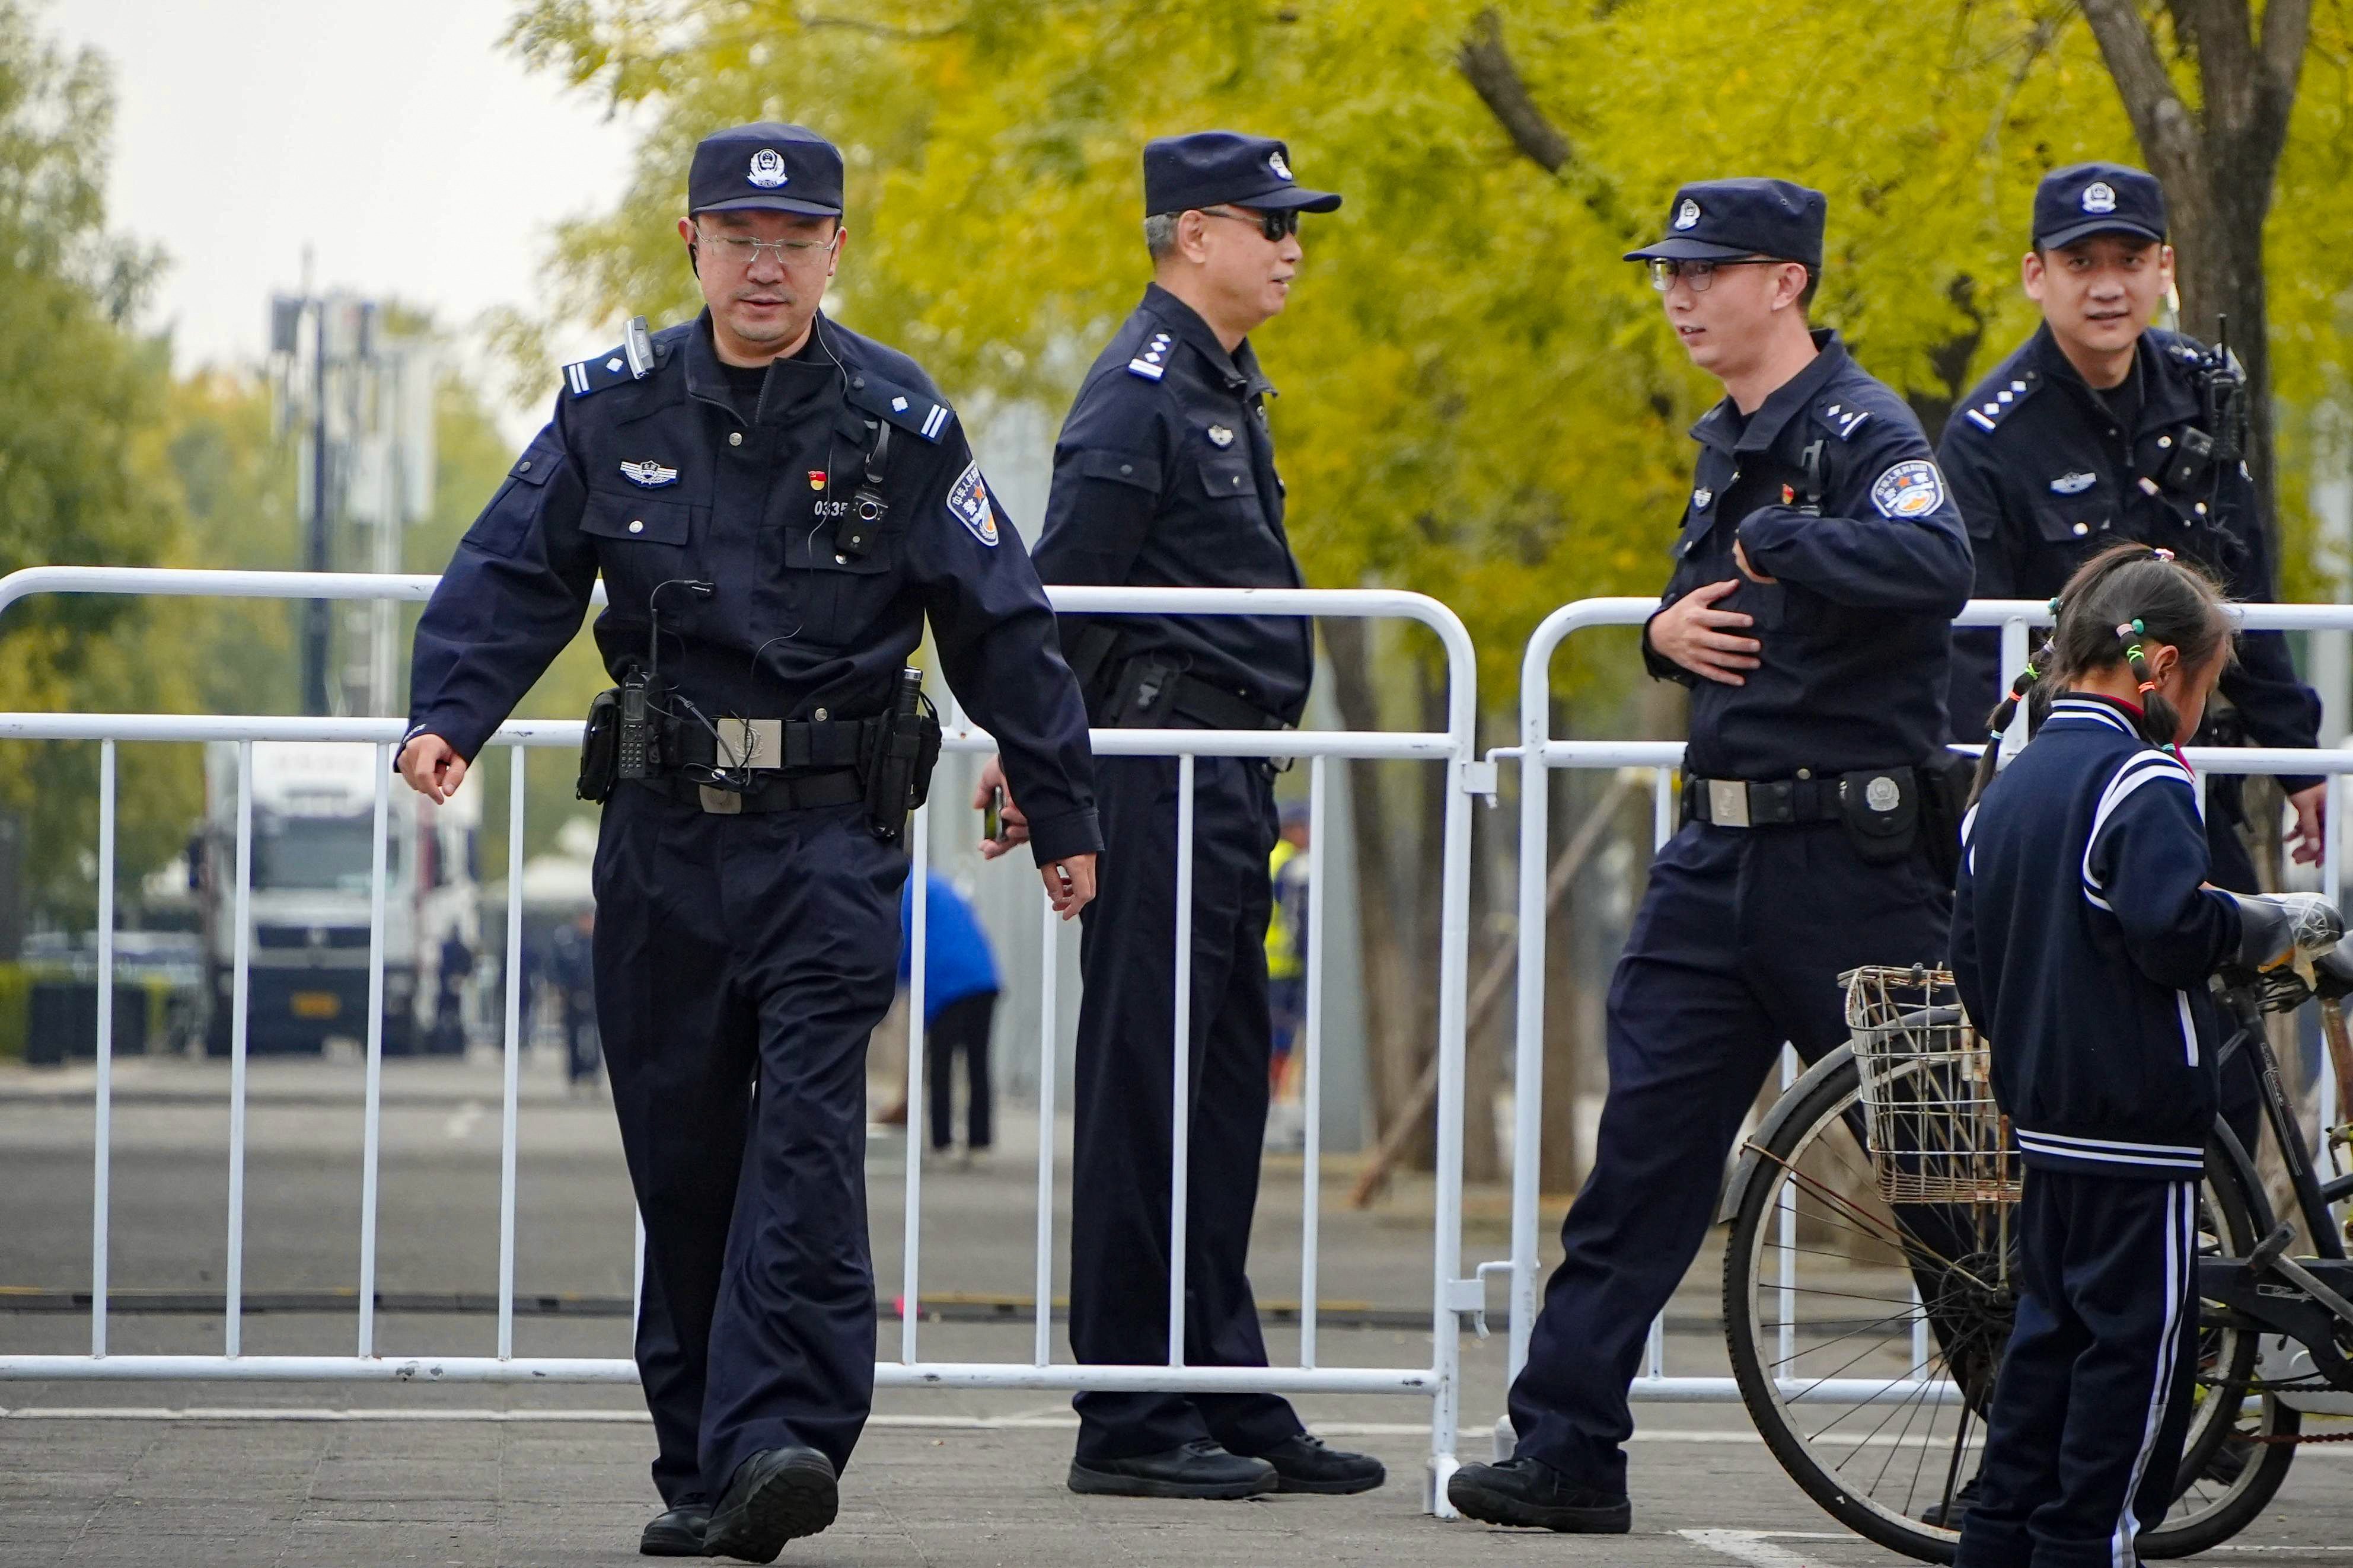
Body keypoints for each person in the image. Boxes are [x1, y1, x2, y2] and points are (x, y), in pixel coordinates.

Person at [397, 122, 1101, 1564]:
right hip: (663, 853)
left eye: (793, 240)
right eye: (737, 236)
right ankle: (706, 1460)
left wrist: (1059, 802)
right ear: (692, 245)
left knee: (801, 1140)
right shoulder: (613, 409)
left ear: (834, 250)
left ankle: (782, 1433)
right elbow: (510, 569)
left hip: (829, 847)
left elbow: (1000, 622)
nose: (764, 262)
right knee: (687, 1154)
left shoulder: (900, 425)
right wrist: (447, 713)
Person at [1447, 178, 1973, 1532]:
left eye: (1705, 270)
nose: (1677, 294)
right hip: (1713, 857)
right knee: (1639, 1164)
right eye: (1666, 272)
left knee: (1944, 1178)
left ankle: (2053, 1454)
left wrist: (1781, 541)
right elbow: (1707, 611)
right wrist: (1653, 635)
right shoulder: (1727, 437)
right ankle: (1563, 1443)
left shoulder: (1858, 428)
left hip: (1850, 869)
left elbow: (1931, 562)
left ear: (1784, 281)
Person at [974, 131, 1383, 1502]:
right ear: (1190, 232)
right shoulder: (1136, 390)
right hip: (1156, 767)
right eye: (1268, 223)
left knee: (1215, 1097)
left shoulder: (1218, 382)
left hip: (1222, 774)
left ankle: (1214, 1376)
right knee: (1146, 1090)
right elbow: (1056, 593)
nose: (1291, 245)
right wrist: (1033, 762)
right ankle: (1128, 1410)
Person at [1949, 542, 2335, 1568]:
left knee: (2046, 1340)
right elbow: (2169, 929)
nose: (2205, 715)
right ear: (2161, 669)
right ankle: (2092, 1542)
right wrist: (2254, 923)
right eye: (2208, 688)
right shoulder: (2138, 780)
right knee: (2136, 1356)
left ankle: (1998, 1539)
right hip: (2135, 1126)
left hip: (2045, 1117)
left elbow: (1970, 956)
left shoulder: (2007, 787)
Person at [1941, 163, 2324, 895]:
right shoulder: (1988, 433)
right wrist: (1985, 794)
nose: (2106, 286)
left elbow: (2248, 591)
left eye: (2130, 260)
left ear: (2164, 269)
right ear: (2035, 274)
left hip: (2191, 772)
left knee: (2223, 990)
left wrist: (2299, 764)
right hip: (2060, 782)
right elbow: (1971, 648)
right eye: (2079, 262)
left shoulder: (2201, 388)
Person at [898, 868, 999, 1160]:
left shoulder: (906, 890)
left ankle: (942, 1141)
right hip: (984, 979)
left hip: (948, 986)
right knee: (978, 1061)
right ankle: (980, 1140)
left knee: (941, 1062)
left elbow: (903, 941)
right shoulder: (938, 885)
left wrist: (891, 990)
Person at [549, 907, 598, 1092]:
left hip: (594, 997)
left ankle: (593, 1073)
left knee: (593, 1038)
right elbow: (557, 968)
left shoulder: (597, 942)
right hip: (572, 996)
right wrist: (561, 990)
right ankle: (575, 1074)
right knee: (572, 1038)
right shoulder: (568, 943)